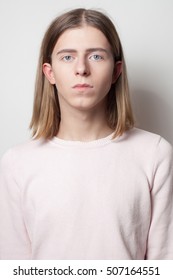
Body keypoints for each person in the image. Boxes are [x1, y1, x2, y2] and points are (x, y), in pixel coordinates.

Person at [0, 8, 173, 260]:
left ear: (116, 71)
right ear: (49, 72)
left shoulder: (154, 153)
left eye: (96, 56)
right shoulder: (16, 163)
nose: (81, 68)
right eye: (68, 57)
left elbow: (164, 264)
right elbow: (12, 266)